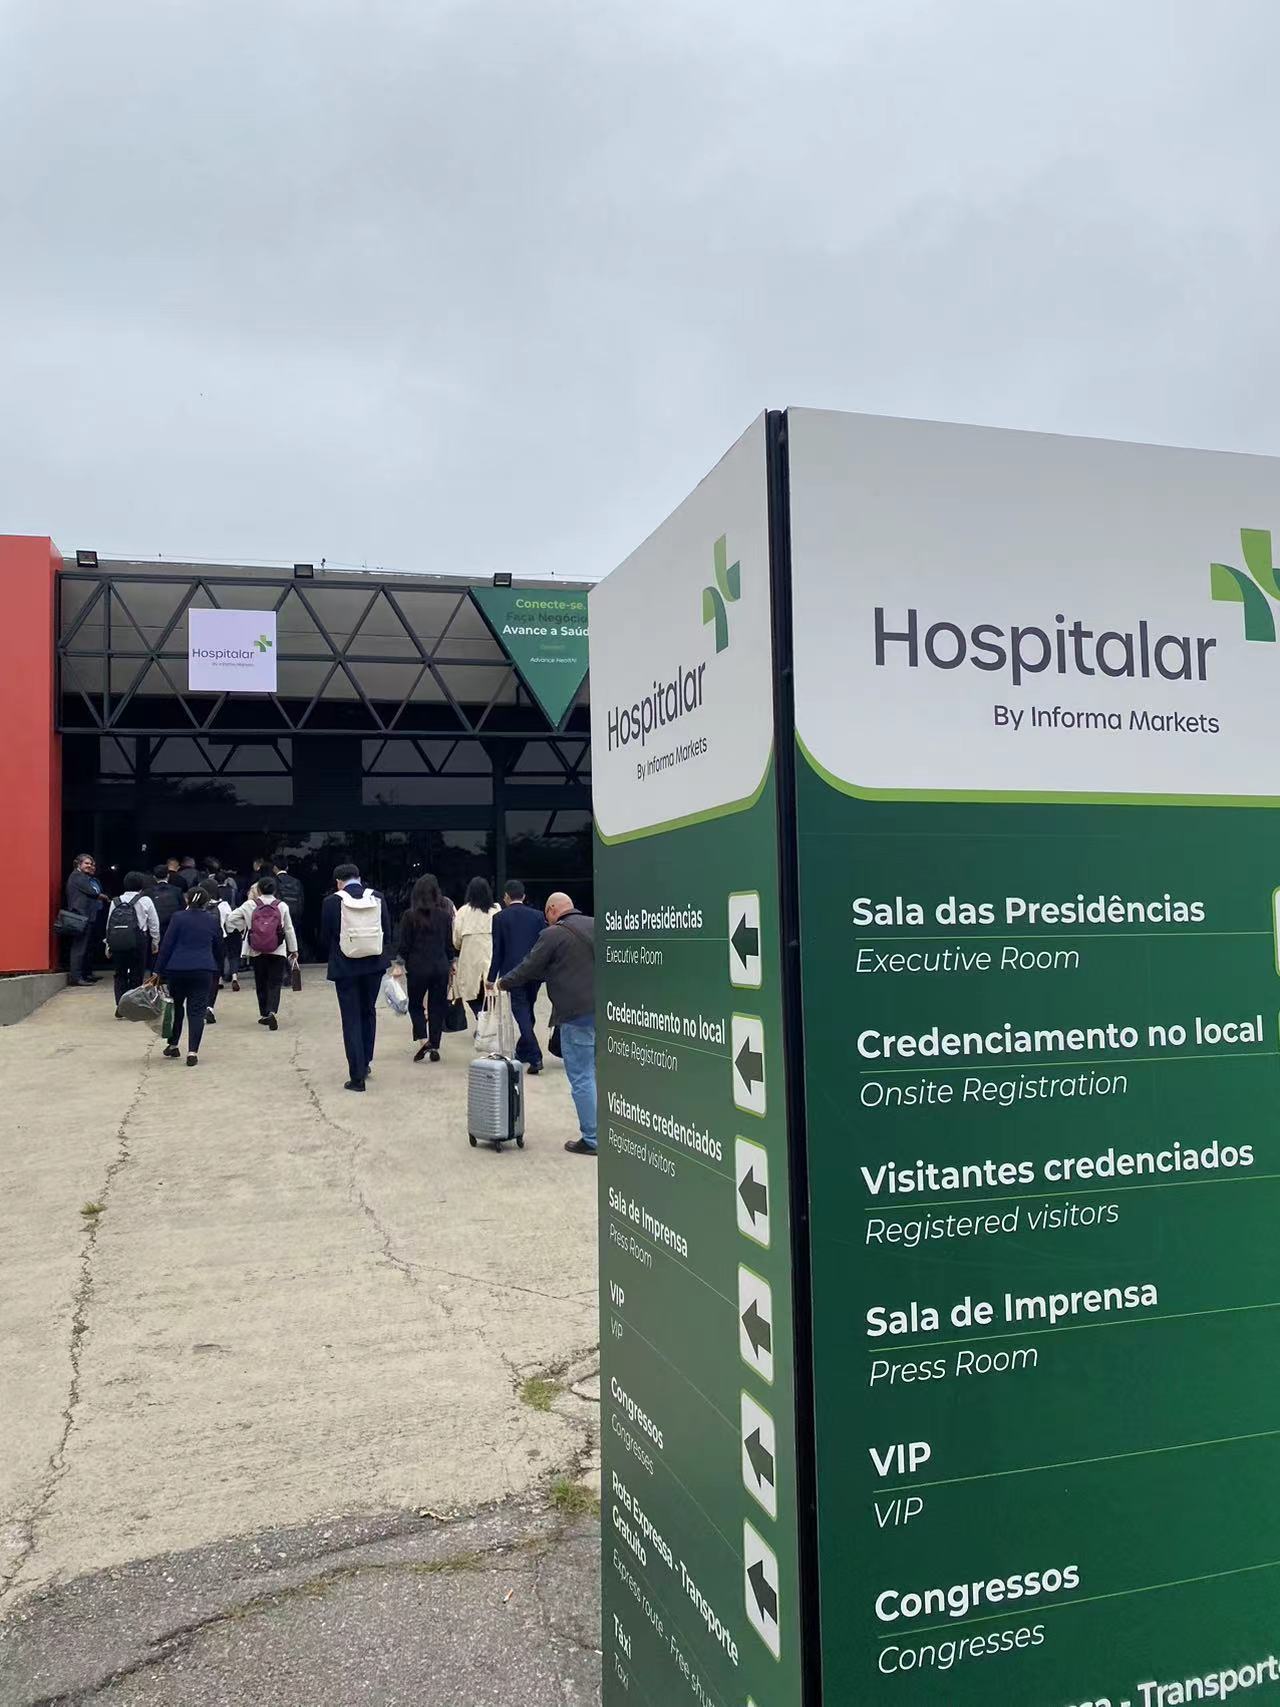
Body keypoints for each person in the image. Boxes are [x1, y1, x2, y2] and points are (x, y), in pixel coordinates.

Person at [499, 892, 596, 1156]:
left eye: (547, 915)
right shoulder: (597, 925)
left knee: (582, 1076)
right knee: (596, 1073)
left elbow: (529, 967)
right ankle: (606, 1131)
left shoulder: (553, 935)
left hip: (575, 1014)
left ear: (552, 909)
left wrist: (504, 982)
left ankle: (593, 1138)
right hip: (605, 1013)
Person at [319, 863, 392, 1092]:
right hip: (374, 965)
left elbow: (325, 938)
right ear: (359, 878)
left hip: (345, 967)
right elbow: (387, 932)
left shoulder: (331, 902)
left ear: (338, 882)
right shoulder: (377, 897)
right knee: (368, 1011)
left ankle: (357, 1076)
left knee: (351, 1019)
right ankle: (366, 1061)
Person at [152, 888, 222, 1065]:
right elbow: (219, 946)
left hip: (177, 969)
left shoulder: (178, 917)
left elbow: (167, 945)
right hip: (203, 969)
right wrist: (217, 968)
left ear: (187, 900)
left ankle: (173, 1044)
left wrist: (158, 970)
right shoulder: (212, 920)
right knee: (197, 1011)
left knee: (176, 1007)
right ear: (206, 902)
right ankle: (192, 1052)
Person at [488, 879, 547, 1074]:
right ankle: (523, 1051)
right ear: (524, 896)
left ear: (506, 896)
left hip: (513, 973)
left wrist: (491, 977)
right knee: (528, 1011)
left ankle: (535, 1056)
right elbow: (543, 945)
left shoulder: (499, 918)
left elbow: (497, 951)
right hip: (534, 972)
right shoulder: (538, 916)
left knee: (521, 1013)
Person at [395, 873, 456, 1063]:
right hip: (440, 966)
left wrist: (399, 964)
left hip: (417, 968)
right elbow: (449, 944)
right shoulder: (444, 916)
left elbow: (404, 944)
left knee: (415, 1005)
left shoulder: (409, 916)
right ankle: (435, 1044)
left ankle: (423, 1040)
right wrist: (452, 962)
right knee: (437, 1006)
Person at [226, 876, 298, 1031]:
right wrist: (293, 949)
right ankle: (272, 1011)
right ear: (275, 890)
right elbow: (289, 928)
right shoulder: (282, 905)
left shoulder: (249, 905)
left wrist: (246, 928)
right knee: (275, 982)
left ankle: (264, 1013)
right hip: (278, 949)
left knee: (261, 981)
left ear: (258, 890)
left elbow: (231, 919)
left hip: (256, 949)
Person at [104, 872, 161, 1007]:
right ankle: (133, 1006)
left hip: (118, 941)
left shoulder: (116, 901)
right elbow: (154, 924)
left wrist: (108, 945)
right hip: (138, 940)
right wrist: (155, 942)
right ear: (141, 886)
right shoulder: (145, 900)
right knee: (137, 973)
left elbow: (109, 925)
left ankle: (121, 1005)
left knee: (120, 974)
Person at [452, 877, 499, 1021]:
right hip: (491, 955)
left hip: (470, 958)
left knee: (470, 993)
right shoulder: (496, 910)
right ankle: (486, 1020)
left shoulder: (463, 911)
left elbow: (456, 939)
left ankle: (481, 1019)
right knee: (491, 992)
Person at [64, 853, 104, 986]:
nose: (90, 866)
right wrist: (101, 896)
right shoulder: (78, 876)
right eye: (86, 863)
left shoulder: (82, 876)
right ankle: (76, 977)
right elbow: (93, 892)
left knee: (86, 947)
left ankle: (85, 974)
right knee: (79, 948)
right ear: (78, 864)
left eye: (91, 864)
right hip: (80, 916)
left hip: (86, 916)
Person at [150, 863, 185, 942]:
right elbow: (183, 908)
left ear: (154, 877)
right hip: (174, 928)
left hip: (157, 929)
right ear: (168, 876)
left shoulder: (149, 892)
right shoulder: (177, 891)